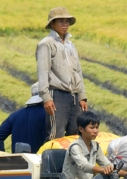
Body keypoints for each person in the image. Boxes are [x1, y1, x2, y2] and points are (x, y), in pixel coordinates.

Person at [36, 6, 88, 140]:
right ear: (52, 24)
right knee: (56, 135)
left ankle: (72, 161)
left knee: (76, 134)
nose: (65, 24)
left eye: (67, 21)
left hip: (74, 95)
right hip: (57, 95)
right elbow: (43, 72)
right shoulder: (46, 44)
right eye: (60, 21)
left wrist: (82, 95)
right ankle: (53, 160)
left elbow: (78, 71)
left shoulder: (71, 45)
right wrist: (46, 97)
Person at [0, 83, 48, 153]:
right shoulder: (48, 115)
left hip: (17, 161)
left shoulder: (14, 115)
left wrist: (2, 157)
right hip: (38, 161)